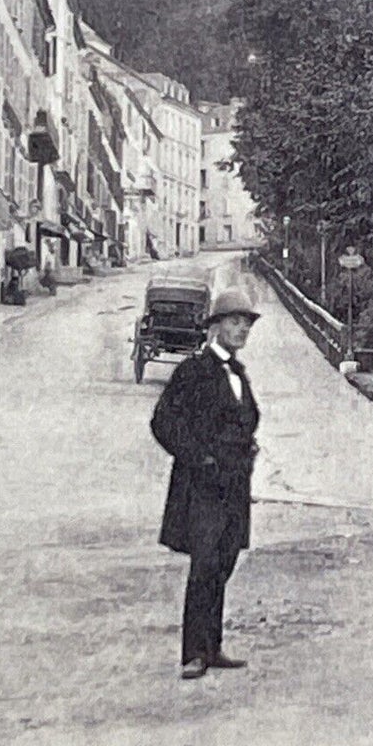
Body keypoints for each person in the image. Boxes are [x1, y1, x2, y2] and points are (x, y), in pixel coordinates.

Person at [151, 286, 261, 679]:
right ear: (215, 326)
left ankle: (212, 646)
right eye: (234, 321)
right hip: (203, 486)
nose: (242, 329)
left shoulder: (238, 372)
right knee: (204, 565)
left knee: (225, 561)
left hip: (233, 486)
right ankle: (193, 653)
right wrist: (201, 458)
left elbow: (241, 419)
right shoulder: (194, 370)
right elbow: (163, 423)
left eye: (246, 323)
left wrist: (247, 448)